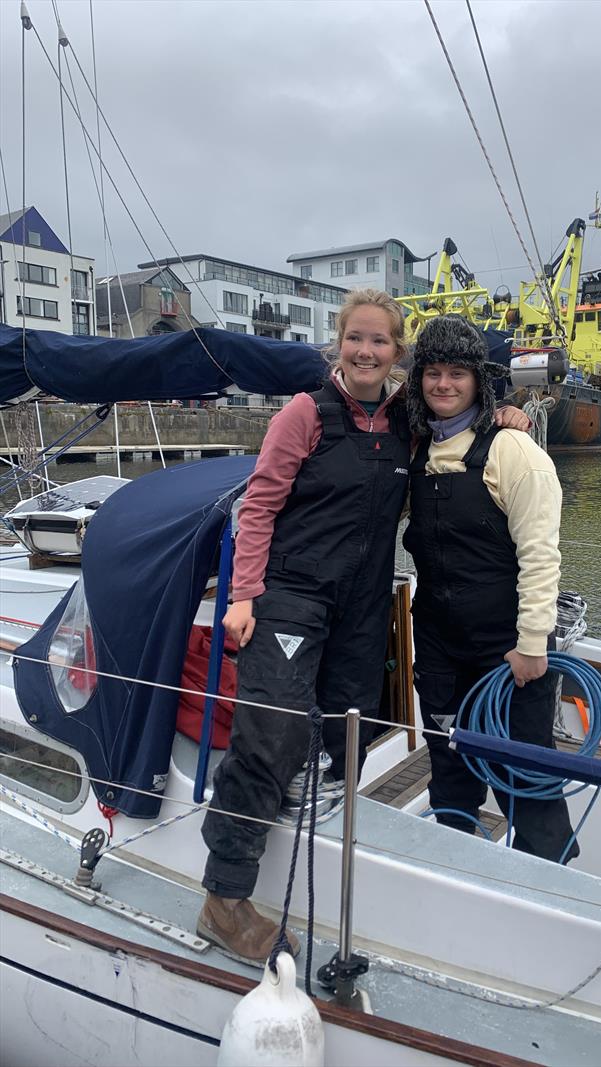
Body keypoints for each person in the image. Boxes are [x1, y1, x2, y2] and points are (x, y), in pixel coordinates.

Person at [198, 292, 529, 963]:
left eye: (380, 342)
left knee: (349, 719)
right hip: (293, 594)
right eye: (356, 339)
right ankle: (224, 896)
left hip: (363, 601)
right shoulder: (305, 414)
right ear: (339, 343)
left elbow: (455, 418)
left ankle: (306, 811)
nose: (367, 352)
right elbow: (258, 506)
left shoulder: (406, 417)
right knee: (270, 731)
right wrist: (242, 597)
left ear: (396, 352)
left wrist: (505, 416)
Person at [402, 315, 578, 863]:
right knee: (450, 769)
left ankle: (551, 883)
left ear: (479, 379)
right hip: (437, 648)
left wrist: (531, 644)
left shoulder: (514, 452)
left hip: (507, 651)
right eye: (433, 373)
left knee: (526, 777)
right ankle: (455, 866)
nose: (444, 385)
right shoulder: (417, 450)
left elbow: (540, 556)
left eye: (458, 373)